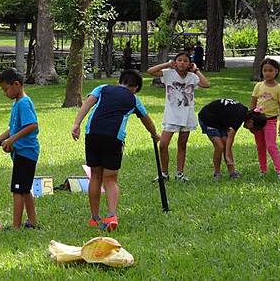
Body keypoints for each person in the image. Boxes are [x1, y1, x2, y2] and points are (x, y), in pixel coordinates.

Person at [72, 70, 159, 231]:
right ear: (135, 87)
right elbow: (148, 121)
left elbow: (87, 104)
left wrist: (76, 124)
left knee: (95, 176)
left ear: (120, 81)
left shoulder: (102, 88)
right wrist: (155, 134)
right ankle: (111, 215)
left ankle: (94, 217)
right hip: (114, 138)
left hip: (92, 135)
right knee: (110, 179)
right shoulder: (134, 100)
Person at [0, 68, 40, 229]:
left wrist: (12, 140)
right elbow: (12, 129)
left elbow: (32, 125)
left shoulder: (23, 102)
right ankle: (31, 222)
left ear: (16, 84)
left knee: (17, 190)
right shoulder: (18, 104)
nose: (5, 93)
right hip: (22, 153)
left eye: (5, 89)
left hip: (26, 152)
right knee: (24, 189)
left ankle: (16, 227)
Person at [147, 51, 210, 182]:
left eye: (185, 61)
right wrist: (167, 64)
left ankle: (180, 173)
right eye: (179, 60)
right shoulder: (169, 74)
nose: (182, 63)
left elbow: (206, 84)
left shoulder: (192, 76)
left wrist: (196, 70)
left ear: (189, 64)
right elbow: (150, 71)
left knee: (182, 145)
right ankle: (164, 173)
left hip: (187, 115)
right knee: (163, 144)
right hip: (171, 115)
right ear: (175, 62)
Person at [198, 99, 267, 179]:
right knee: (220, 146)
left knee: (225, 142)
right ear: (250, 121)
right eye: (254, 128)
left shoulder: (243, 112)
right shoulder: (238, 118)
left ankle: (232, 173)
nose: (252, 131)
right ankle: (217, 173)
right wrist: (227, 155)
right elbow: (230, 138)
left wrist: (227, 153)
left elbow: (228, 141)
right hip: (208, 118)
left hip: (220, 121)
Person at [250, 58, 280, 178]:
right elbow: (253, 103)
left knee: (271, 145)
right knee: (260, 146)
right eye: (265, 70)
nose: (267, 73)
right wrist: (251, 119)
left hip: (270, 121)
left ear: (276, 71)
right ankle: (263, 170)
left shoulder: (279, 88)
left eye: (270, 70)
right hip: (258, 121)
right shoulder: (258, 86)